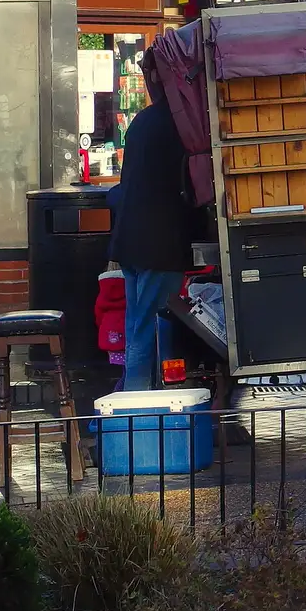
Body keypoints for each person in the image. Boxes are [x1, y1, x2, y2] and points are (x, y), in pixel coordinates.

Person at [110, 91, 196, 391]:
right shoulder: (181, 124)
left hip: (131, 239)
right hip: (160, 243)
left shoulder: (143, 119)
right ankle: (139, 408)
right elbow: (190, 185)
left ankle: (130, 401)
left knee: (136, 327)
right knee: (151, 328)